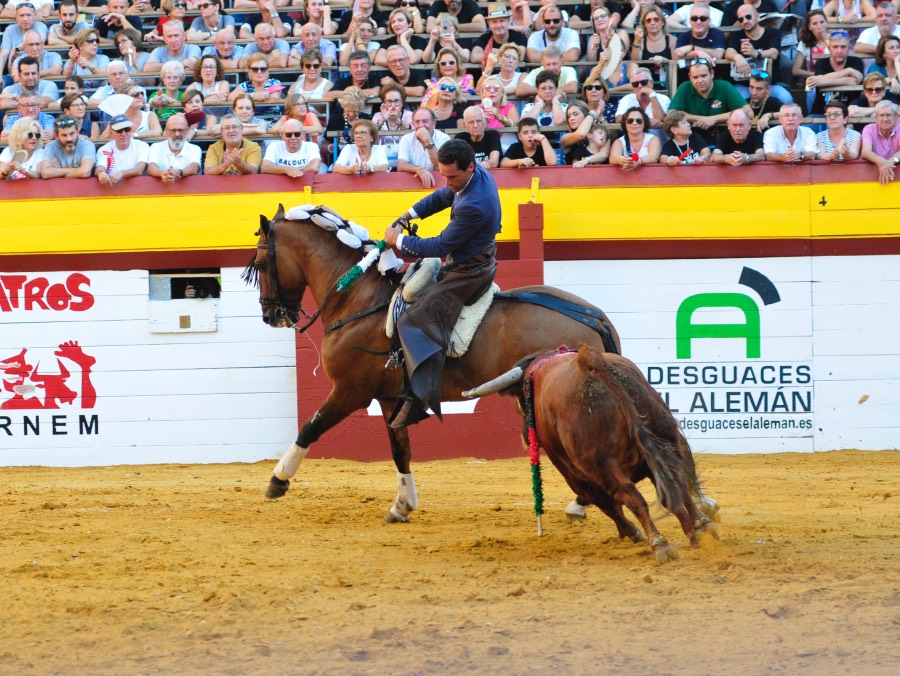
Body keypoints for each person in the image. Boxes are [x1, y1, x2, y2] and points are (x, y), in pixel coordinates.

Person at [383, 139, 501, 427]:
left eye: (452, 176)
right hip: (474, 257)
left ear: (470, 167)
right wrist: (407, 216)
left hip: (468, 271)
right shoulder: (473, 176)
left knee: (414, 321)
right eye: (443, 174)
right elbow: (442, 195)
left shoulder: (475, 204)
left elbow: (439, 245)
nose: (447, 181)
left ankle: (420, 399)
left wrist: (396, 240)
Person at [669, 58, 752, 144]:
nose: (700, 81)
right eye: (695, 77)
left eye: (703, 76)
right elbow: (671, 115)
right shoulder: (685, 87)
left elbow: (749, 112)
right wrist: (701, 119)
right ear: (690, 77)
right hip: (693, 142)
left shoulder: (724, 86)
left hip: (725, 140)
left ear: (712, 74)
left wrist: (714, 119)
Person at [724, 5, 792, 105]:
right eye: (741, 19)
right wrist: (737, 57)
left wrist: (756, 53)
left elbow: (774, 53)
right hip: (745, 85)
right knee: (737, 103)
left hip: (770, 85)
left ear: (757, 16)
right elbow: (728, 52)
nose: (745, 21)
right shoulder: (737, 36)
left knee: (786, 99)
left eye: (748, 17)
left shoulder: (772, 33)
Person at [807, 31, 864, 114]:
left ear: (849, 48)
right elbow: (816, 81)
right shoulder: (822, 63)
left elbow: (853, 81)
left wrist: (824, 81)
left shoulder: (856, 61)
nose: (839, 51)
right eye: (835, 47)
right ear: (829, 49)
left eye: (843, 47)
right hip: (821, 111)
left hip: (848, 113)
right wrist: (848, 71)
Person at [398, 106, 452, 187]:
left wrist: (428, 141)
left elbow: (441, 167)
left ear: (434, 123)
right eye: (417, 122)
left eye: (425, 121)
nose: (421, 125)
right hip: (413, 183)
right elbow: (401, 165)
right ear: (413, 124)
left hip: (439, 184)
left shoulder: (444, 138)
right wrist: (419, 169)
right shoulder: (406, 139)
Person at [94, 114, 149, 185]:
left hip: (138, 188)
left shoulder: (142, 146)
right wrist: (101, 173)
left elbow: (139, 169)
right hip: (113, 190)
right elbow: (100, 167)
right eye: (119, 130)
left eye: (127, 129)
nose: (124, 134)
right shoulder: (103, 149)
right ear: (111, 133)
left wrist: (121, 173)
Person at [0, 3, 49, 83]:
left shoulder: (41, 26)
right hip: (15, 75)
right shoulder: (10, 30)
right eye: (21, 15)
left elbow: (39, 41)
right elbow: (3, 55)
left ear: (35, 15)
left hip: (38, 76)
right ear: (16, 17)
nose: (25, 19)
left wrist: (16, 49)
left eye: (28, 15)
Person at [147, 114, 202, 183]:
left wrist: (178, 173)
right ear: (166, 131)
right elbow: (151, 167)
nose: (177, 134)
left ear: (187, 130)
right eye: (173, 130)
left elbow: (194, 168)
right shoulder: (156, 147)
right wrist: (163, 173)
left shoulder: (195, 148)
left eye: (180, 130)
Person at [629, 5, 676, 86]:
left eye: (656, 19)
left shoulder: (672, 40)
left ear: (662, 22)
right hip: (644, 84)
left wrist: (665, 61)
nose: (652, 23)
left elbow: (676, 66)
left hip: (667, 83)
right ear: (645, 24)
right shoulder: (640, 40)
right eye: (648, 20)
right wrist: (636, 41)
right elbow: (635, 61)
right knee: (632, 65)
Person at [614, 66, 669, 133]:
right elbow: (618, 118)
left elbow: (660, 119)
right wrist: (646, 120)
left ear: (651, 83)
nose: (639, 86)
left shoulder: (663, 99)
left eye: (643, 82)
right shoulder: (627, 99)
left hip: (660, 142)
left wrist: (652, 94)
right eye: (635, 84)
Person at [470, 4, 527, 68]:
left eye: (502, 21)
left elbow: (520, 56)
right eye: (494, 22)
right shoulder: (485, 38)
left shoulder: (518, 36)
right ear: (489, 23)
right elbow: (474, 57)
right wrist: (508, 54)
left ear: (508, 20)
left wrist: (490, 52)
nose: (498, 25)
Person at [372, 81, 412, 169]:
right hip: (382, 160)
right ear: (384, 103)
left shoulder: (409, 115)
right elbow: (371, 136)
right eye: (389, 101)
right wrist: (383, 119)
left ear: (402, 102)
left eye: (396, 100)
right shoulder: (378, 116)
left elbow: (413, 131)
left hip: (407, 158)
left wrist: (398, 121)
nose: (393, 105)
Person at [860, 100, 900, 184]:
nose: (885, 119)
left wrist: (891, 161)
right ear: (876, 118)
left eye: (888, 115)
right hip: (871, 174)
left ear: (896, 117)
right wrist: (881, 161)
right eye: (881, 115)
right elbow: (866, 152)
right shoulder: (869, 129)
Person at [561, 100, 610, 165]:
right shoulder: (565, 137)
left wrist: (586, 160)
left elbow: (604, 154)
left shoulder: (601, 133)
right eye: (568, 116)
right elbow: (581, 134)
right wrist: (592, 113)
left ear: (586, 115)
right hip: (574, 173)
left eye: (575, 114)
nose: (571, 118)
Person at [0, 116, 43, 180]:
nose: (34, 138)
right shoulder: (8, 151)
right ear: (19, 135)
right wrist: (5, 171)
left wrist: (23, 170)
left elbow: (40, 175)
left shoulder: (41, 152)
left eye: (37, 135)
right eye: (30, 135)